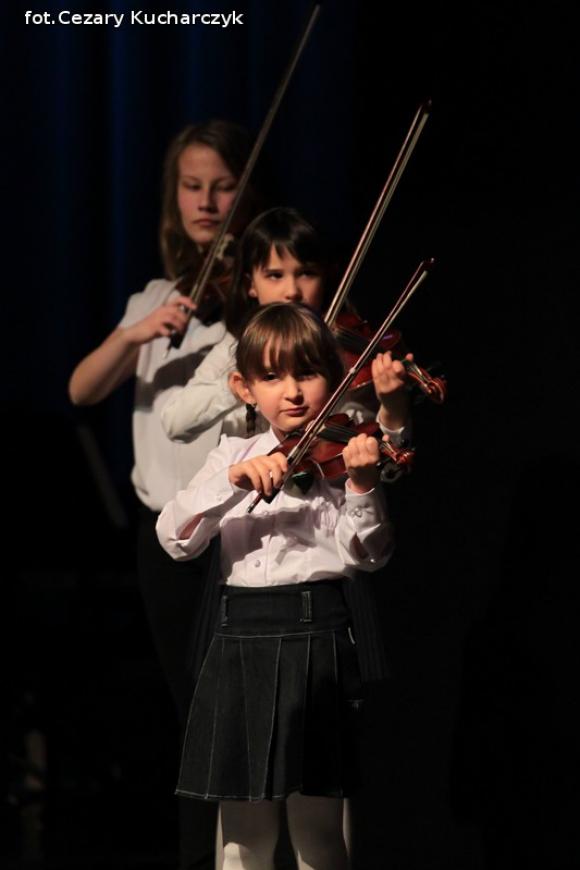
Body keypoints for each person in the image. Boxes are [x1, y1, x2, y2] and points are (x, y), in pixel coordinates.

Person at [68, 119, 262, 870]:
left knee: (236, 725)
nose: (207, 201)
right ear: (173, 197)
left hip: (240, 541)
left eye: (223, 185)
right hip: (165, 543)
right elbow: (82, 388)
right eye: (192, 186)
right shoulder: (155, 299)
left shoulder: (253, 298)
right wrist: (139, 332)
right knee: (195, 725)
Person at [156, 303, 395, 869]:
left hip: (317, 639)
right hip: (241, 640)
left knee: (317, 832)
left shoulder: (338, 456)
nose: (292, 392)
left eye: (307, 374)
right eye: (272, 376)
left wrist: (362, 486)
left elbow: (368, 554)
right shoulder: (230, 456)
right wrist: (232, 481)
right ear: (243, 387)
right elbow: (174, 537)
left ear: (331, 381)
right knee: (242, 836)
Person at [161, 206, 411, 446]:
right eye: (275, 275)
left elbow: (387, 454)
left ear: (325, 277)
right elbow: (175, 423)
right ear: (251, 284)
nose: (292, 291)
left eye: (306, 274)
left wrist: (393, 407)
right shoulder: (234, 344)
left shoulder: (343, 351)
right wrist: (242, 381)